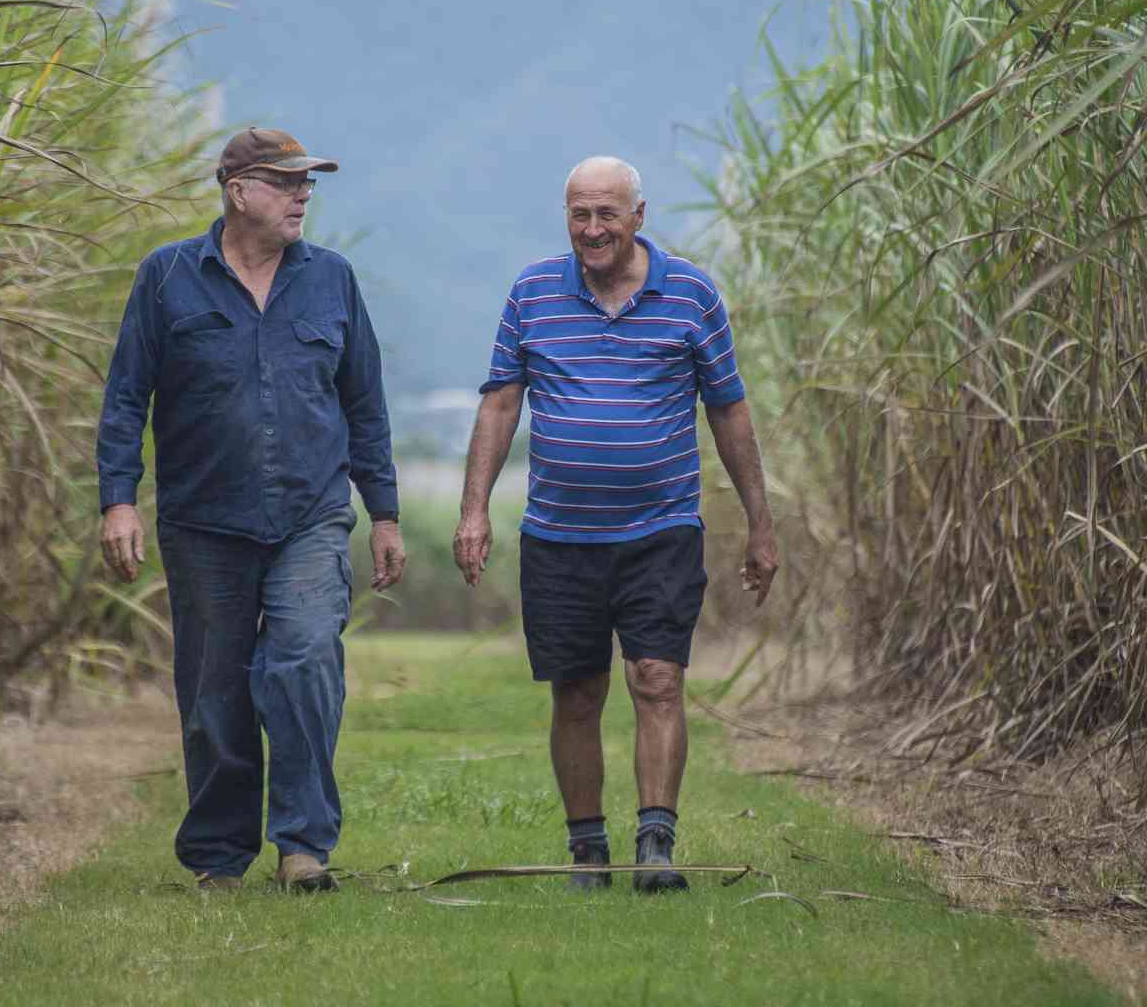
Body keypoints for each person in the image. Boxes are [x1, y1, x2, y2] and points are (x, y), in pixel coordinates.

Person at [453, 155, 777, 892]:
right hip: (559, 536)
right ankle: (587, 851)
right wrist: (474, 511)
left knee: (658, 679)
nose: (592, 230)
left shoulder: (690, 292)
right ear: (565, 217)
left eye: (606, 214)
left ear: (638, 215)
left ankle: (655, 847)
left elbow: (727, 409)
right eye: (579, 215)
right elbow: (501, 403)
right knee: (576, 689)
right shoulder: (533, 291)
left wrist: (761, 521)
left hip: (660, 530)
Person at [97, 126, 405, 893]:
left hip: (310, 514)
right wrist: (118, 502)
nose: (305, 194)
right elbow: (126, 397)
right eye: (288, 181)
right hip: (202, 522)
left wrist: (387, 513)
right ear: (239, 191)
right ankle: (218, 856)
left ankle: (303, 846)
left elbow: (363, 403)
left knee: (304, 663)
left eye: (311, 182)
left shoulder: (332, 279)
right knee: (215, 687)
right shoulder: (167, 277)